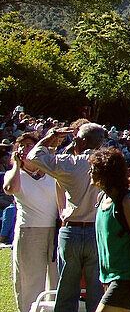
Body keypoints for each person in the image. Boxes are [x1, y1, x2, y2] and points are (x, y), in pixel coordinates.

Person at [25, 123, 108, 312]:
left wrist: (49, 137)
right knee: (96, 289)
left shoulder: (70, 163)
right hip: (97, 230)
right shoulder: (107, 163)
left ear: (82, 140)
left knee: (67, 289)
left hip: (72, 230)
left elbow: (33, 157)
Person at [4, 132, 59, 312]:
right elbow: (11, 188)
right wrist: (16, 165)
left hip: (54, 230)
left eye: (30, 145)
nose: (26, 149)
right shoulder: (15, 175)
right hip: (29, 230)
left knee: (54, 278)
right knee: (29, 280)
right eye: (23, 145)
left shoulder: (51, 172)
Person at [90, 147, 130, 312]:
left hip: (126, 277)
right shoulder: (101, 199)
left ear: (106, 173)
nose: (90, 173)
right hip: (109, 276)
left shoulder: (127, 201)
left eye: (94, 169)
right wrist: (104, 276)